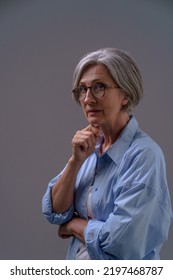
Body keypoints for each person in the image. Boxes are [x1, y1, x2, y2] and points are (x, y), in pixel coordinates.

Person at [42, 47, 172, 260]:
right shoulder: (89, 148)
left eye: (99, 87)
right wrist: (75, 162)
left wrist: (75, 225)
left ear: (126, 95)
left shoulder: (144, 156)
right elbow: (55, 212)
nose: (88, 99)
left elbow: (122, 241)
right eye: (82, 89)